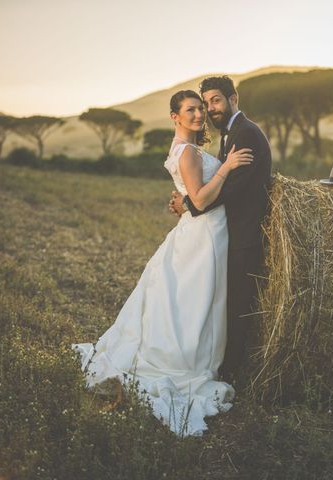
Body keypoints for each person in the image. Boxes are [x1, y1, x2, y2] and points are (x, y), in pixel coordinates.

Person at [72, 90, 254, 437]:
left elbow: (191, 196)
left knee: (192, 300)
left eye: (201, 108)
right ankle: (184, 363)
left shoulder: (186, 150)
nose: (199, 114)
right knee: (194, 300)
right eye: (191, 110)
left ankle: (196, 357)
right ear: (175, 116)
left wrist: (185, 199)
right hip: (204, 235)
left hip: (206, 232)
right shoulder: (186, 152)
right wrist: (228, 167)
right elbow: (200, 198)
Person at [169, 76, 272, 386]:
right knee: (219, 303)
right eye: (204, 104)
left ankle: (231, 377)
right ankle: (218, 366)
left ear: (233, 98)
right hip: (224, 233)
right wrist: (192, 201)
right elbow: (219, 184)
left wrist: (191, 204)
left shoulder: (247, 134)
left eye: (214, 101)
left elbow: (237, 188)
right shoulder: (232, 133)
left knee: (237, 307)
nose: (208, 110)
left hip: (244, 234)